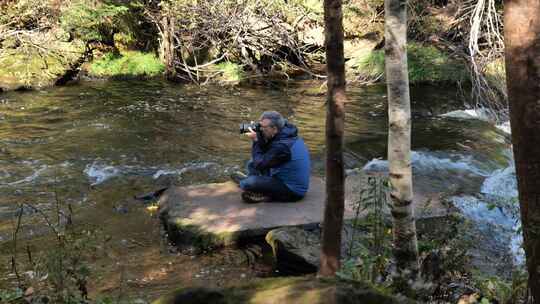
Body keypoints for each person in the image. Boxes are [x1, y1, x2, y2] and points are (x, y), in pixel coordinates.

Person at [231, 111, 311, 204]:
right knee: (251, 163)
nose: (260, 129)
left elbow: (259, 165)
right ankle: (258, 184)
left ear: (274, 128)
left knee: (248, 183)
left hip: (292, 191)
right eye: (259, 126)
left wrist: (256, 140)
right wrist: (259, 134)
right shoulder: (286, 132)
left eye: (263, 127)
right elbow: (268, 151)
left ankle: (263, 193)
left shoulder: (282, 146)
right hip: (283, 175)